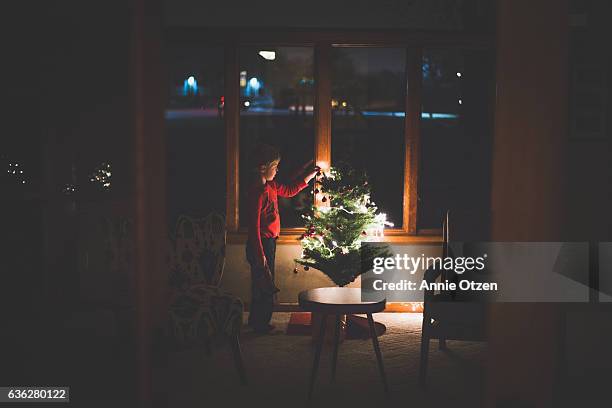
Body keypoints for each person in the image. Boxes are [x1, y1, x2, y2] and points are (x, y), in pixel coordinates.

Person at [246, 144, 319, 333]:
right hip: (260, 244)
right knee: (263, 285)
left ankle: (259, 322)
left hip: (269, 242)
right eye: (275, 166)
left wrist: (307, 177)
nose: (277, 170)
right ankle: (259, 324)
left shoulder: (272, 186)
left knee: (265, 283)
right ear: (263, 168)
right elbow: (254, 228)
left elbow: (289, 190)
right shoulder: (257, 193)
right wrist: (260, 255)